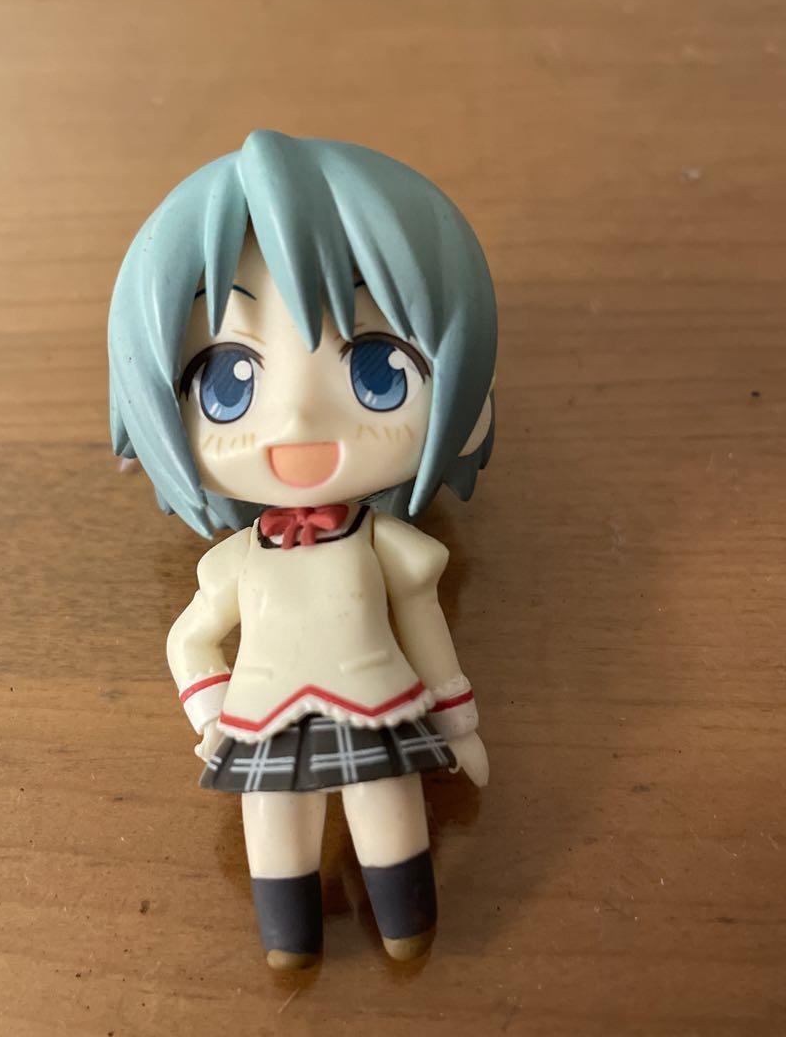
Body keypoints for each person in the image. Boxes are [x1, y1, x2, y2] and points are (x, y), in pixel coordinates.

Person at [108, 130, 497, 969]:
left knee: (387, 808)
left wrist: (458, 719)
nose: (297, 420)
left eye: (378, 373)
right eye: (227, 382)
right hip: (260, 714)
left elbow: (426, 626)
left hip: (376, 703)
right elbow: (190, 639)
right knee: (273, 824)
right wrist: (210, 715)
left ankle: (406, 920)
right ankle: (289, 937)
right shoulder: (234, 562)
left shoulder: (387, 545)